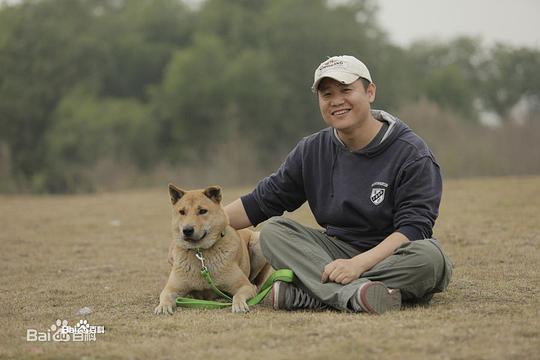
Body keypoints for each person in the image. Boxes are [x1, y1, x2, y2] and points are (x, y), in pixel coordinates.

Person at [225, 55, 453, 314]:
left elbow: (414, 229)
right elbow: (260, 202)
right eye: (327, 94)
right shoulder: (312, 149)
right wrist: (193, 235)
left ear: (370, 92)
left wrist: (357, 265)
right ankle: (356, 295)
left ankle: (314, 293)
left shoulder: (412, 153)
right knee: (274, 232)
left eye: (346, 90)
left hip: (393, 255)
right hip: (332, 253)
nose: (336, 101)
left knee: (431, 260)